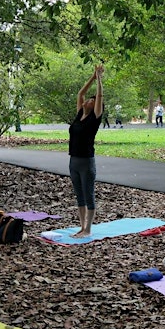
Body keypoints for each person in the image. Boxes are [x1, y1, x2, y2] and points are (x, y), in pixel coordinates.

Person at [68, 64, 104, 237]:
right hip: (73, 161)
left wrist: (99, 79)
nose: (87, 100)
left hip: (86, 162)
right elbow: (80, 93)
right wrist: (92, 76)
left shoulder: (94, 119)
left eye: (91, 100)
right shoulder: (79, 115)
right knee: (79, 196)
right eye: (88, 100)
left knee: (88, 195)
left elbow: (99, 96)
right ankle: (82, 227)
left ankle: (88, 229)